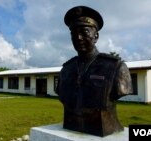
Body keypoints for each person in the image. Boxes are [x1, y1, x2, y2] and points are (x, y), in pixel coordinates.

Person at [55, 6, 133, 137]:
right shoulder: (66, 69)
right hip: (70, 125)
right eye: (74, 34)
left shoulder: (116, 67)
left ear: (96, 36)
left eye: (84, 32)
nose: (78, 38)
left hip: (104, 130)